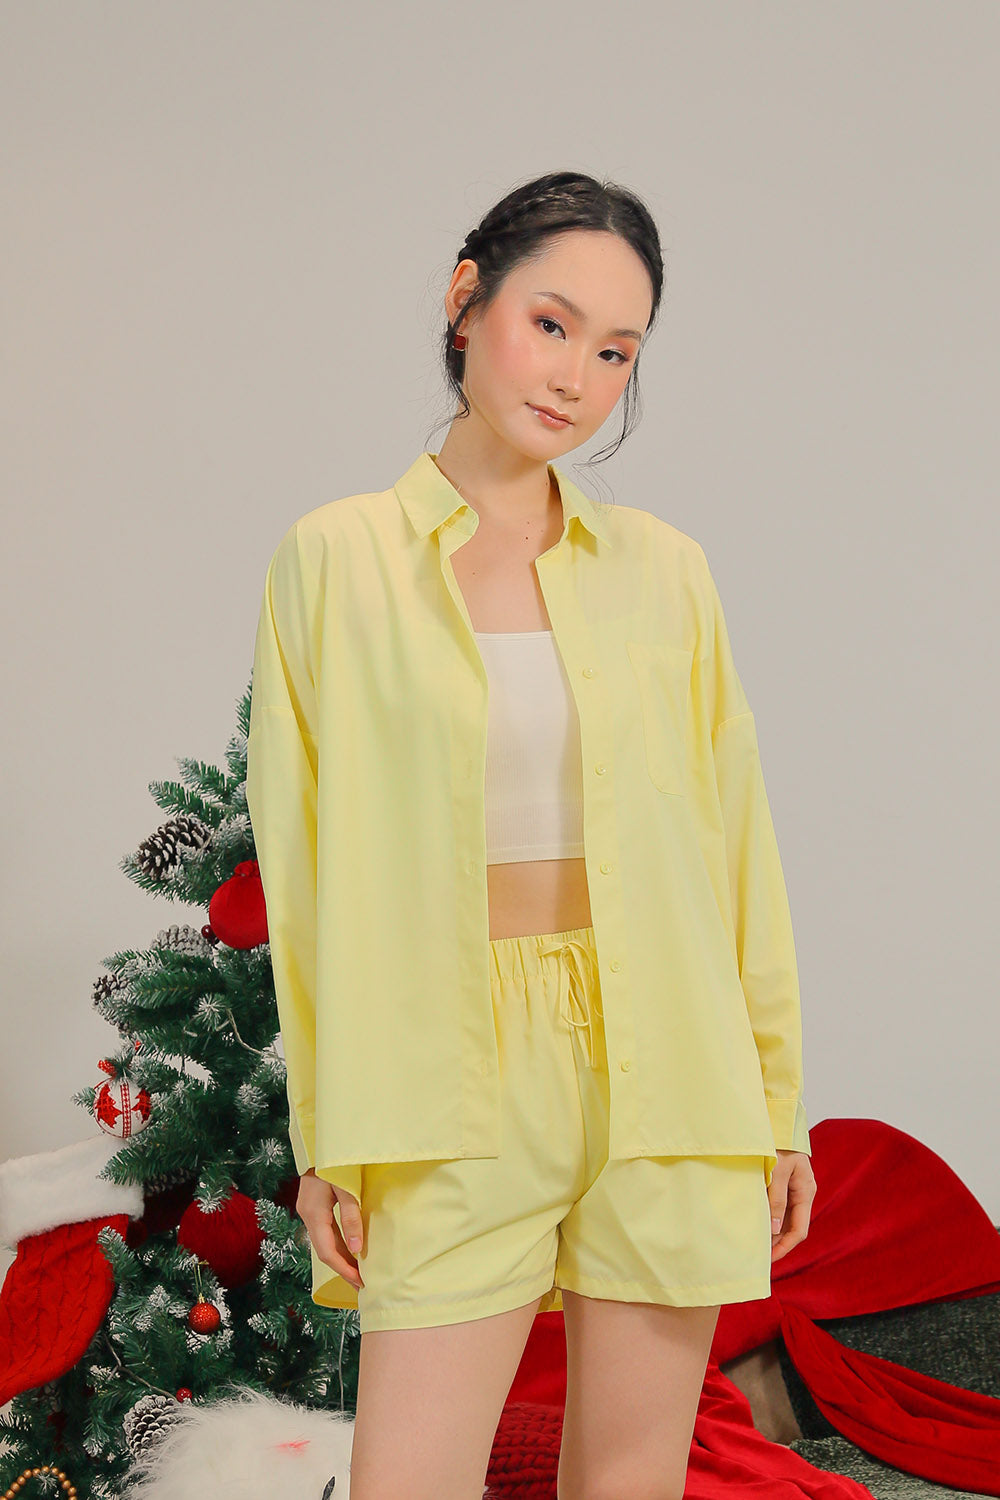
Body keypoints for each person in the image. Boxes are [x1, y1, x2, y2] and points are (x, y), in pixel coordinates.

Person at [245, 169, 817, 1500]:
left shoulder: (667, 571)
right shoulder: (336, 560)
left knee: (631, 1480)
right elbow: (303, 873)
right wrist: (330, 1133)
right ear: (467, 300)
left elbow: (737, 845)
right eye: (551, 325)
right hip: (447, 1066)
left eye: (616, 351)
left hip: (670, 1055)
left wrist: (775, 1105)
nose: (576, 377)